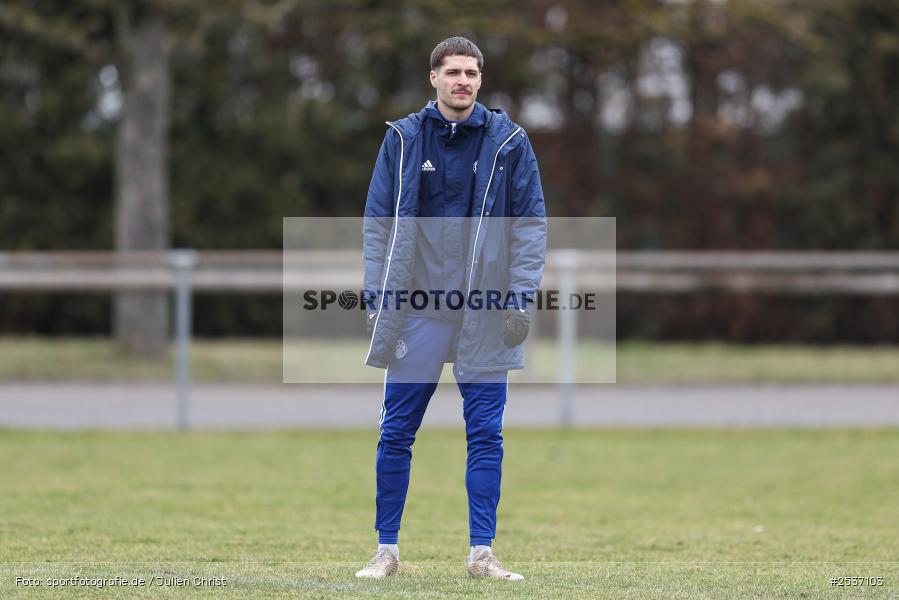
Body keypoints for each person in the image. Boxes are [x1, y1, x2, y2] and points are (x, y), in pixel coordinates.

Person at [356, 36, 546, 581]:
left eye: (471, 72)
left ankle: (481, 555)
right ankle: (385, 552)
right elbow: (377, 230)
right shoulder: (402, 140)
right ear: (433, 78)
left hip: (486, 315)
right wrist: (377, 304)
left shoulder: (510, 142)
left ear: (481, 80)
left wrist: (518, 302)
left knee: (487, 435)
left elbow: (531, 231)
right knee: (396, 433)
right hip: (417, 314)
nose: (463, 80)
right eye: (452, 71)